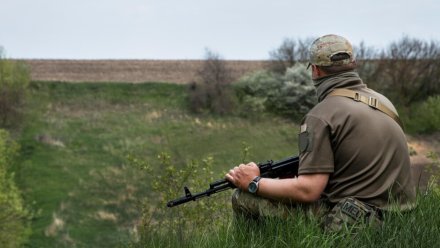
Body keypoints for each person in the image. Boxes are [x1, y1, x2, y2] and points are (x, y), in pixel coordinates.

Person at [225, 34, 416, 231]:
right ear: (353, 63)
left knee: (243, 197)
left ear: (315, 70)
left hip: (355, 222)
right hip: (400, 218)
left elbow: (308, 190)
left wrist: (253, 182)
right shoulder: (384, 103)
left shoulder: (320, 116)